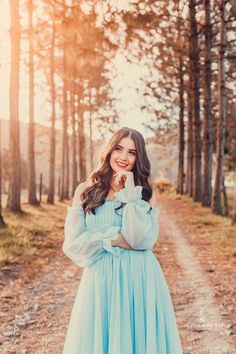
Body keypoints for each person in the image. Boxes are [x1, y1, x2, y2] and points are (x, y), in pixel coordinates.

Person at [62, 127, 183, 354]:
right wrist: (113, 240)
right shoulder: (85, 190)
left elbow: (141, 240)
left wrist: (129, 193)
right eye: (119, 149)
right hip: (101, 278)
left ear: (139, 158)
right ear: (109, 151)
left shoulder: (143, 192)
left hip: (140, 277)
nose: (124, 157)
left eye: (132, 152)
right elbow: (73, 244)